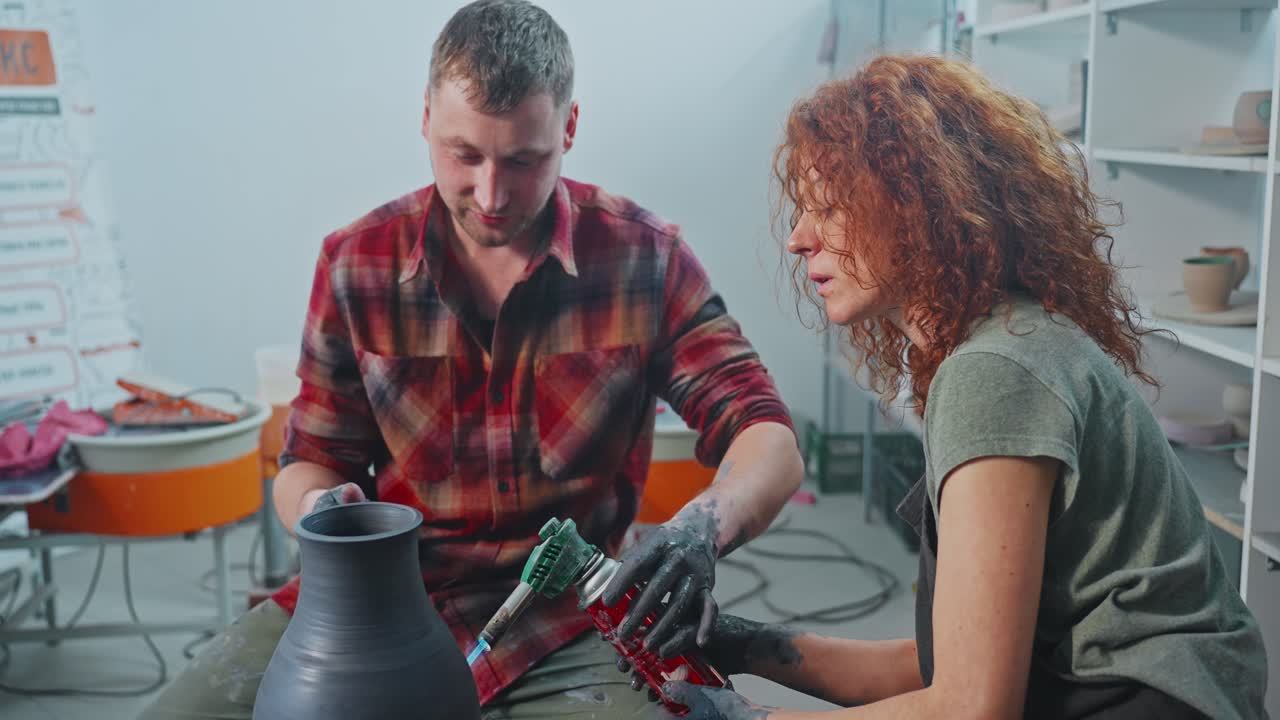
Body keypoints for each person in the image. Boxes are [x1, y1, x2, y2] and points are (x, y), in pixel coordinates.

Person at [137, 2, 803, 718]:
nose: (490, 195)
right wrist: (321, 510)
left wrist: (703, 525)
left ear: (569, 128)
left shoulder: (645, 259)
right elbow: (311, 460)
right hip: (377, 600)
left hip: (571, 615)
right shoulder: (356, 263)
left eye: (523, 160)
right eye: (465, 155)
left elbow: (767, 437)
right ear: (425, 117)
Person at [646, 54, 1269, 719]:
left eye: (826, 206)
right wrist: (743, 643)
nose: (798, 239)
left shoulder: (993, 371)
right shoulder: (1006, 340)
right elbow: (949, 659)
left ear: (919, 207)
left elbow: (971, 707)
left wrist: (749, 719)